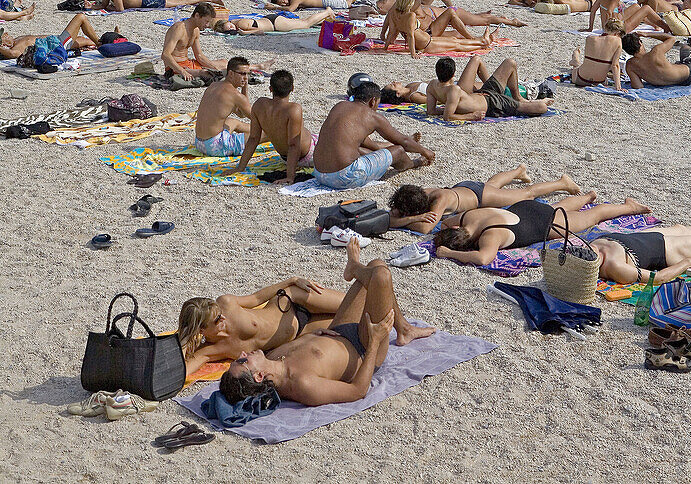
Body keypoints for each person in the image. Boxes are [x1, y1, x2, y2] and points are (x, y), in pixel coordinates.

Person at [218, 239, 434, 408]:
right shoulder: (302, 385)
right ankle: (354, 267)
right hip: (364, 347)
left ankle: (404, 329)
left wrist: (314, 335)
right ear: (258, 376)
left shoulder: (271, 358)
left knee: (376, 265)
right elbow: (357, 391)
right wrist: (376, 342)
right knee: (380, 276)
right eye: (242, 362)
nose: (242, 355)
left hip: (338, 330)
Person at [178, 277, 348, 377]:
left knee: (357, 302)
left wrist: (292, 280)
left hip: (291, 301)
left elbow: (257, 298)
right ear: (201, 330)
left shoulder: (226, 303)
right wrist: (184, 340)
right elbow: (182, 372)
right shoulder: (210, 350)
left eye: (219, 312)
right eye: (217, 320)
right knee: (352, 321)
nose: (223, 317)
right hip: (302, 332)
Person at [434, 194, 651, 265]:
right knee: (557, 208)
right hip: (525, 208)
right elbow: (444, 224)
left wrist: (449, 252)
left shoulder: (491, 235)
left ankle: (628, 206)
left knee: (592, 216)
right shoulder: (467, 217)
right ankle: (586, 196)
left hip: (542, 223)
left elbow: (483, 259)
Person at [312, 80, 434, 190]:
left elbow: (362, 141)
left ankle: (389, 152)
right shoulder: (372, 116)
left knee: (356, 148)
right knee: (399, 150)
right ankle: (415, 163)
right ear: (373, 101)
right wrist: (424, 151)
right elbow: (404, 142)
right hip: (344, 178)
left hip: (319, 174)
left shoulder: (339, 106)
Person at [388, 166, 583, 233]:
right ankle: (518, 171)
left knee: (526, 194)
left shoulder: (439, 200)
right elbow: (392, 217)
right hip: (465, 190)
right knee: (493, 184)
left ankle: (562, 182)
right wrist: (407, 218)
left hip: (478, 196)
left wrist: (409, 221)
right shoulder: (417, 194)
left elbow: (425, 228)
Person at [591, 201, 691, 285]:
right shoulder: (616, 267)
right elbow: (658, 278)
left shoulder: (585, 249)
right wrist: (687, 263)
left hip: (641, 238)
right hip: (666, 251)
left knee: (680, 229)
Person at [228, 68, 318, 183]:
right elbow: (294, 144)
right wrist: (290, 176)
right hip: (309, 154)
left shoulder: (259, 105)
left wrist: (240, 167)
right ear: (292, 89)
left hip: (286, 158)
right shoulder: (293, 109)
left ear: (270, 89)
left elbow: (254, 138)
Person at [426, 55, 552, 120]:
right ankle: (533, 101)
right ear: (454, 74)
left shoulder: (432, 85)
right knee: (542, 107)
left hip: (485, 92)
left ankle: (518, 97)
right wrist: (470, 116)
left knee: (510, 63)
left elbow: (431, 111)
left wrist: (449, 109)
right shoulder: (454, 90)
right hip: (493, 104)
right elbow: (447, 117)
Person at [380, 0, 493, 58]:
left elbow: (392, 32)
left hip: (426, 40)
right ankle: (482, 42)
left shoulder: (395, 14)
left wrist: (385, 46)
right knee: (456, 45)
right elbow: (410, 36)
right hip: (427, 43)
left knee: (455, 40)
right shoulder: (410, 15)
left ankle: (482, 41)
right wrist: (413, 53)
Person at [193, 56, 252, 156]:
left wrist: (244, 87)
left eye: (247, 74)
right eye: (242, 74)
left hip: (199, 143)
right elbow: (254, 117)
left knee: (233, 122)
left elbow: (241, 114)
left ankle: (254, 130)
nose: (246, 78)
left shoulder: (214, 85)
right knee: (263, 134)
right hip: (215, 147)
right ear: (231, 73)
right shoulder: (235, 95)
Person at [620, 34, 691, 87]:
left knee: (675, 64)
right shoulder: (656, 51)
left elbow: (638, 86)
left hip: (667, 82)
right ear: (640, 42)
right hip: (689, 76)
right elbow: (672, 38)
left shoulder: (630, 65)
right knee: (686, 49)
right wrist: (648, 34)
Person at [161, 2, 226, 81]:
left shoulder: (196, 30)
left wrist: (215, 67)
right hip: (174, 68)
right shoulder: (178, 29)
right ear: (197, 16)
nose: (207, 25)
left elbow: (199, 56)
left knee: (225, 63)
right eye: (206, 21)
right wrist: (182, 71)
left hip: (188, 63)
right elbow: (165, 55)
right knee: (205, 73)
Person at [0, 11, 102, 60]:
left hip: (57, 39)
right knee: (80, 17)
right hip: (58, 45)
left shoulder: (18, 40)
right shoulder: (17, 47)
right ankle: (101, 44)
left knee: (82, 40)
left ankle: (106, 41)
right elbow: (13, 54)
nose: (6, 34)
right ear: (4, 44)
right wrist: (2, 49)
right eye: (4, 36)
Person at [570, 17, 625, 90]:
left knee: (580, 66)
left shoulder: (590, 38)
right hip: (599, 82)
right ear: (618, 33)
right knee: (579, 65)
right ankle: (575, 60)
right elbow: (615, 65)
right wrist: (618, 87)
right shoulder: (617, 41)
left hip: (580, 79)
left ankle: (575, 58)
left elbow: (588, 63)